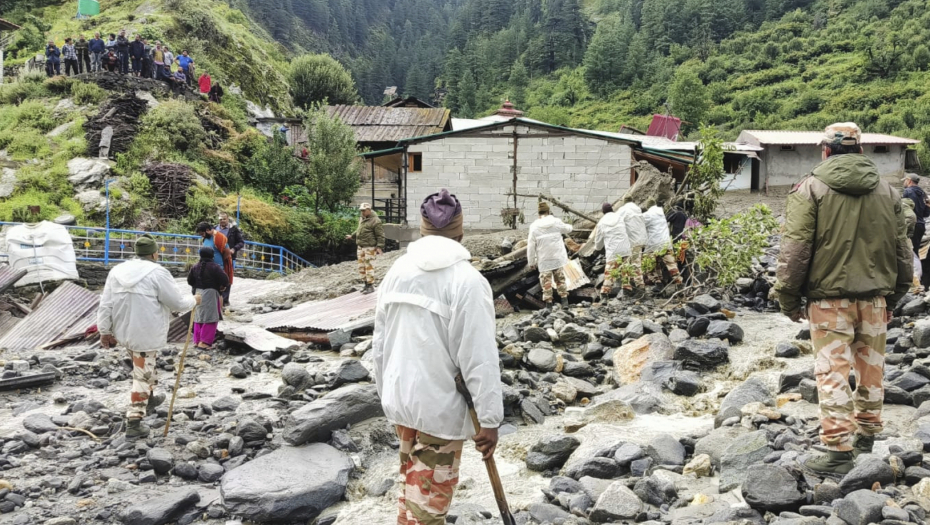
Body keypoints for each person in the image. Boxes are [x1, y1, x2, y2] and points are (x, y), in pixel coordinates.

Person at [775, 122, 911, 477]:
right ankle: (867, 434)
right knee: (872, 368)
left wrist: (788, 297)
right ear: (861, 150)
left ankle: (838, 449)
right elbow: (902, 249)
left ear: (825, 150)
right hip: (876, 298)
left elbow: (795, 250)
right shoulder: (888, 191)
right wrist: (895, 295)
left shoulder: (810, 189)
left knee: (832, 373)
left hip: (828, 300)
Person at [372, 190, 503, 525]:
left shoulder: (398, 271)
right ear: (460, 233)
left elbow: (381, 343)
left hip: (402, 402)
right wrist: (489, 420)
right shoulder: (467, 281)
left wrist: (387, 393)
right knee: (427, 508)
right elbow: (479, 357)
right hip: (439, 411)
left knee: (411, 494)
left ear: (422, 230)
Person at [97, 234, 201, 439]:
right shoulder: (158, 272)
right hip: (145, 331)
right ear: (155, 253)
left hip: (123, 329)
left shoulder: (117, 271)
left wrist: (105, 331)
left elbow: (105, 303)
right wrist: (194, 300)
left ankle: (149, 399)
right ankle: (134, 421)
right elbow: (177, 304)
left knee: (143, 365)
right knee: (143, 373)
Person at [527, 200, 573, 307]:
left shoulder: (534, 226)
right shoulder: (556, 222)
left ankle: (548, 305)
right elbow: (568, 229)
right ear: (548, 211)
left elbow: (531, 246)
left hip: (544, 259)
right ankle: (564, 301)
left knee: (546, 282)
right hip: (557, 257)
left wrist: (531, 262)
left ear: (539, 213)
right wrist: (571, 226)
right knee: (560, 279)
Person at [187, 247, 228, 350]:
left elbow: (190, 281)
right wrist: (221, 286)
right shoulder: (215, 267)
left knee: (198, 317)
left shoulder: (195, 267)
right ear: (212, 255)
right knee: (211, 318)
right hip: (210, 293)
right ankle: (204, 342)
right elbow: (225, 279)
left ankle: (197, 341)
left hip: (198, 293)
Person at [642, 198, 683, 294]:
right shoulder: (662, 214)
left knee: (649, 264)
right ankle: (679, 284)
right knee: (672, 264)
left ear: (648, 207)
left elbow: (639, 225)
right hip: (666, 243)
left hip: (653, 244)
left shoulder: (647, 215)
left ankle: (658, 283)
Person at [594, 202, 631, 302]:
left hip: (613, 251)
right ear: (612, 209)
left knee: (609, 274)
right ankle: (626, 294)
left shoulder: (601, 223)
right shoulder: (620, 217)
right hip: (625, 249)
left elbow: (598, 244)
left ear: (603, 212)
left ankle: (604, 295)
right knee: (626, 271)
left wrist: (597, 249)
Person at [346, 203, 385, 294]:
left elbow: (380, 235)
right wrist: (352, 236)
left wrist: (379, 247)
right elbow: (359, 230)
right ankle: (365, 284)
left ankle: (370, 286)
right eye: (361, 210)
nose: (362, 212)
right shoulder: (362, 219)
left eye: (364, 210)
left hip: (369, 247)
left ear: (369, 210)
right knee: (361, 267)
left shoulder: (376, 221)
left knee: (369, 266)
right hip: (361, 246)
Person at [616, 195, 648, 298]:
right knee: (636, 264)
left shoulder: (622, 210)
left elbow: (616, 222)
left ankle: (626, 288)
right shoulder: (638, 209)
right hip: (639, 241)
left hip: (629, 242)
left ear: (624, 202)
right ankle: (640, 287)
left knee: (625, 264)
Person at [196, 222, 235, 298]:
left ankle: (219, 307)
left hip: (217, 268)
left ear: (207, 230)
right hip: (207, 268)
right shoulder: (205, 238)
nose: (202, 236)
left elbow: (227, 252)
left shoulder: (219, 237)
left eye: (202, 234)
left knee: (217, 291)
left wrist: (220, 261)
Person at [215, 212, 245, 304]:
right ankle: (216, 298)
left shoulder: (234, 230)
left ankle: (225, 299)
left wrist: (233, 249)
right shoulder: (214, 229)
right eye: (220, 219)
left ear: (227, 219)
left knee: (227, 277)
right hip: (216, 257)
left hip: (230, 257)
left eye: (224, 219)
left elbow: (241, 242)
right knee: (215, 277)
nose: (222, 221)